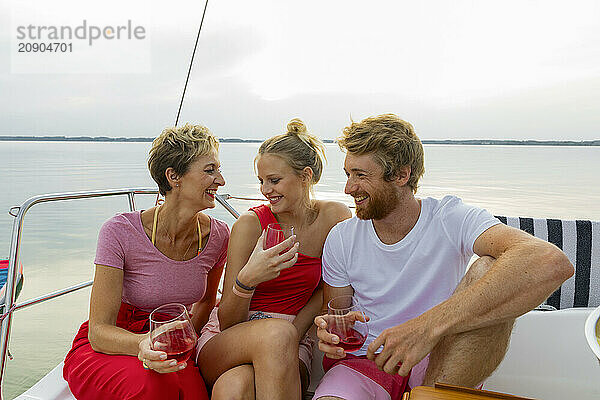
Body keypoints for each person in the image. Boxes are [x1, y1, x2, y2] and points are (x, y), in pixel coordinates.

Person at [313, 114, 574, 400]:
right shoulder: (341, 237)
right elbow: (337, 318)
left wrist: (425, 328)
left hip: (440, 360)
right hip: (365, 363)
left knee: (489, 266)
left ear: (402, 175)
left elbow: (550, 262)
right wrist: (331, 335)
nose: (349, 188)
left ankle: (429, 395)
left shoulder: (449, 217)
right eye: (348, 173)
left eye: (361, 176)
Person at [63, 123, 230, 400]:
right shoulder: (119, 232)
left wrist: (186, 343)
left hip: (171, 343)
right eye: (210, 170)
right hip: (113, 344)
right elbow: (99, 331)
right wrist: (144, 342)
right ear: (174, 176)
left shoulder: (219, 236)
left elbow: (205, 302)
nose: (221, 181)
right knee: (154, 388)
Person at [197, 119, 352, 399]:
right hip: (229, 337)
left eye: (274, 180)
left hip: (292, 336)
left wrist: (293, 332)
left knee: (233, 389)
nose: (265, 190)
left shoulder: (334, 217)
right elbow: (229, 321)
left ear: (305, 176)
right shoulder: (250, 225)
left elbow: (325, 289)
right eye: (261, 181)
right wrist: (248, 279)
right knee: (276, 336)